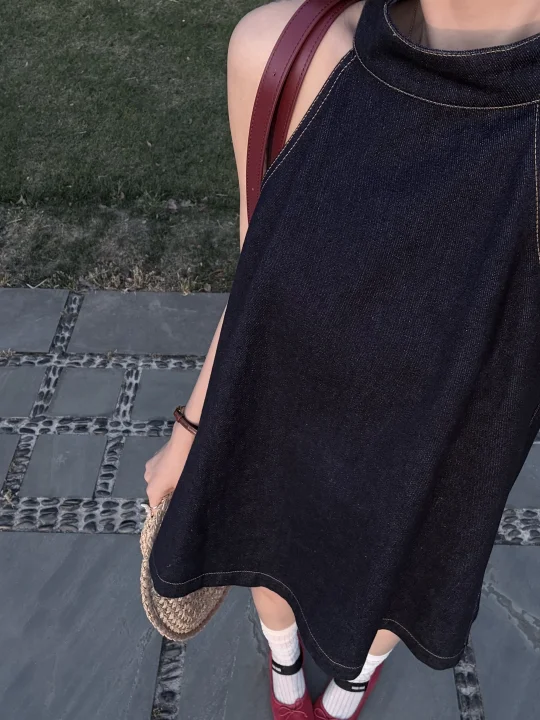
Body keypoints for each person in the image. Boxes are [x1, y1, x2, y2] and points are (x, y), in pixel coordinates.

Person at [144, 1, 540, 718]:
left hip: (436, 457)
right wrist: (193, 426)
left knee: (398, 580)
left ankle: (348, 689)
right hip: (288, 410)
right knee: (268, 537)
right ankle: (286, 666)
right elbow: (256, 268)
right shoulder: (283, 55)